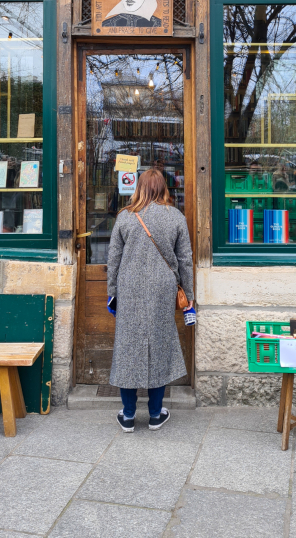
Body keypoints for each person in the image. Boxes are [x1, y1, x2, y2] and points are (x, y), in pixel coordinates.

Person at [106, 168, 194, 432]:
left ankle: (129, 415)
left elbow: (113, 259)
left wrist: (112, 293)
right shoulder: (175, 216)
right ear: (163, 188)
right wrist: (187, 296)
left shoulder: (125, 217)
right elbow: (186, 261)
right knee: (159, 344)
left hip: (129, 287)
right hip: (163, 289)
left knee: (127, 347)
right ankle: (155, 414)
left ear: (139, 187)